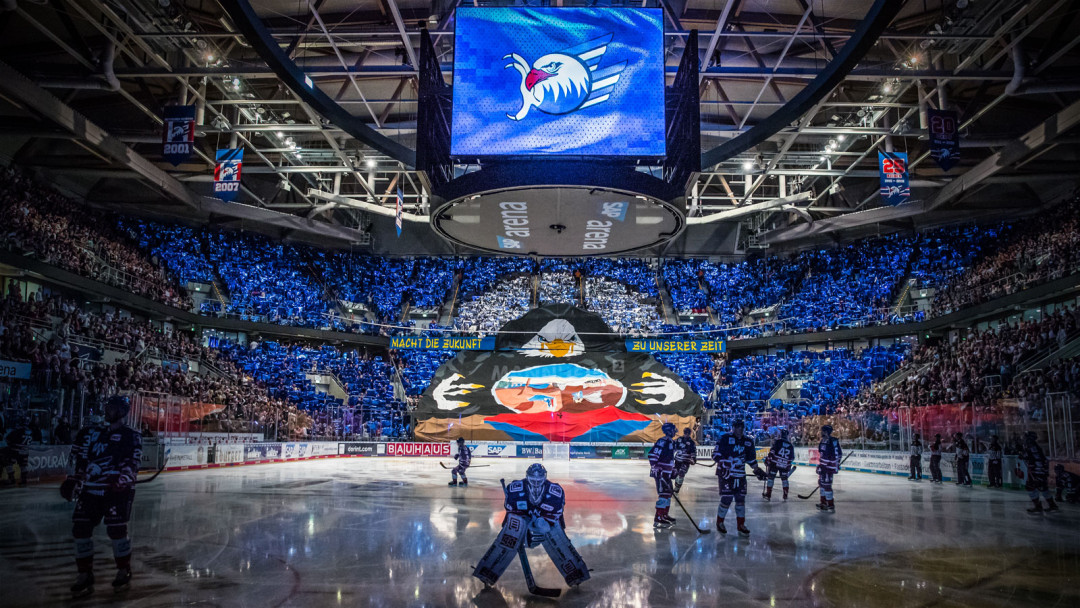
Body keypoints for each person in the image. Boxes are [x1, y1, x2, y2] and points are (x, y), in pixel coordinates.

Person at [61, 397, 143, 597]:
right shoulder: (91, 433)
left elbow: (133, 462)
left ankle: (124, 569)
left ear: (122, 411)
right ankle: (84, 574)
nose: (107, 411)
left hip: (117, 492)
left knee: (116, 530)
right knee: (80, 529)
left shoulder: (130, 435)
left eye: (112, 408)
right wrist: (75, 478)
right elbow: (82, 460)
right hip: (91, 490)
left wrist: (123, 478)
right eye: (107, 407)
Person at [472, 463, 588, 588]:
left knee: (554, 532)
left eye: (539, 480)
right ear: (527, 477)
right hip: (522, 524)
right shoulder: (515, 488)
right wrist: (525, 530)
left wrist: (539, 525)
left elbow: (556, 514)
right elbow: (511, 513)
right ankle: (488, 572)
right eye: (533, 480)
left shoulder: (555, 491)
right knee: (512, 532)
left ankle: (575, 573)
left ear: (545, 477)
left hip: (543, 525)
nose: (536, 483)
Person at [712, 419, 766, 535]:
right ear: (733, 427)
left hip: (740, 475)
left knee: (740, 500)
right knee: (726, 499)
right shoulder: (725, 438)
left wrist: (757, 470)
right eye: (737, 427)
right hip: (726, 474)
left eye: (741, 427)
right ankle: (720, 522)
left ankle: (741, 524)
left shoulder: (748, 441)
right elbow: (715, 454)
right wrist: (723, 462)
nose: (739, 429)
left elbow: (751, 459)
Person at [1019, 432, 1058, 514]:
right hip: (1038, 470)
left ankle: (1038, 506)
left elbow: (1037, 459)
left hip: (1036, 470)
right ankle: (1052, 505)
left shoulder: (1032, 446)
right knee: (1042, 487)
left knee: (1031, 486)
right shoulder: (1032, 446)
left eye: (1026, 437)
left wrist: (1024, 455)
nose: (1024, 439)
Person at [648, 423, 678, 527]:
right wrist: (656, 467)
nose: (675, 432)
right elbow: (652, 455)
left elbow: (670, 458)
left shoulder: (671, 442)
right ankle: (658, 518)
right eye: (674, 430)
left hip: (667, 473)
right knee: (663, 494)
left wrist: (673, 469)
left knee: (668, 494)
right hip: (661, 473)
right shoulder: (662, 441)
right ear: (670, 431)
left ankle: (664, 515)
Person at [763, 428, 794, 501]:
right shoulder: (790, 445)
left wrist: (767, 460)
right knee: (784, 479)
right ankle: (785, 495)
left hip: (775, 464)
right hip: (784, 465)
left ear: (781, 435)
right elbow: (792, 457)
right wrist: (787, 465)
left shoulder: (778, 442)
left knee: (771, 478)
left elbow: (772, 452)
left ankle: (768, 494)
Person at [816, 424, 842, 512]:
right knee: (822, 484)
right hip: (825, 466)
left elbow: (833, 455)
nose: (821, 432)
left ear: (826, 432)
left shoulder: (831, 441)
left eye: (822, 431)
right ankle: (823, 503)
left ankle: (830, 504)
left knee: (826, 485)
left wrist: (824, 466)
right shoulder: (825, 441)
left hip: (827, 468)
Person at [1, 415, 31, 487]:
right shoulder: (30, 431)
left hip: (15, 451)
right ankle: (24, 481)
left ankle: (12, 479)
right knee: (23, 466)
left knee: (8, 463)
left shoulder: (17, 430)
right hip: (25, 451)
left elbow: (8, 439)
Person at [672, 427, 697, 495]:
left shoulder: (691, 442)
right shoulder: (679, 440)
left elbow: (693, 452)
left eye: (688, 433)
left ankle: (677, 488)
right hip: (678, 460)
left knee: (682, 473)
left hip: (686, 461)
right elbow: (673, 448)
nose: (687, 435)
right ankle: (676, 484)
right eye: (685, 433)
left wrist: (693, 459)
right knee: (675, 474)